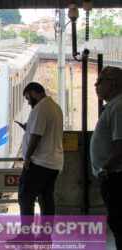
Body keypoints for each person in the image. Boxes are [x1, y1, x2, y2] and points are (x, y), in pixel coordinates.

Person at [19, 82, 63, 217]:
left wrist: (27, 158)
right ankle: (46, 234)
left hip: (39, 162)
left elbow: (37, 135)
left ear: (33, 93)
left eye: (27, 98)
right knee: (46, 197)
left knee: (25, 196)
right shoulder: (54, 107)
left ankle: (26, 234)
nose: (28, 102)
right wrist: (28, 128)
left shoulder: (41, 108)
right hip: (53, 162)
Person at [90, 66, 122, 250]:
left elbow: (120, 145)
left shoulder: (118, 106)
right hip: (113, 175)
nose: (96, 85)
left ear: (114, 83)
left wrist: (105, 168)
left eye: (100, 81)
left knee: (119, 222)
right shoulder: (114, 105)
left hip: (116, 176)